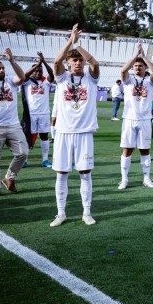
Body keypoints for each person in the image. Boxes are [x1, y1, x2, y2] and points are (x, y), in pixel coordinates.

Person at [50, 24, 99, 227]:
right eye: (74, 60)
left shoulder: (91, 79)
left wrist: (79, 47)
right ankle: (61, 213)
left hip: (84, 132)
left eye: (80, 60)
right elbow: (56, 61)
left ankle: (86, 212)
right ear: (68, 63)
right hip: (63, 131)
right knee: (62, 173)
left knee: (85, 173)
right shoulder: (62, 78)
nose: (78, 62)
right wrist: (71, 41)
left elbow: (94, 63)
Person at [117, 44, 153, 190]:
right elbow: (123, 70)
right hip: (129, 118)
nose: (137, 68)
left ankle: (146, 178)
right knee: (127, 149)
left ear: (145, 68)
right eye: (135, 66)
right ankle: (124, 179)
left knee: (145, 150)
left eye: (140, 66)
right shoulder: (128, 80)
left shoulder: (149, 82)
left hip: (145, 119)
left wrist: (144, 57)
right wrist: (136, 55)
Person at [0, 48, 29, 197]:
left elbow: (22, 77)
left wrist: (11, 61)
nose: (1, 70)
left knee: (23, 152)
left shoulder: (10, 81)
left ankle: (8, 178)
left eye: (2, 68)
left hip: (13, 125)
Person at [23, 52, 55, 168]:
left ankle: (45, 160)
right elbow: (25, 75)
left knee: (44, 136)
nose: (38, 72)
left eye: (40, 71)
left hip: (44, 113)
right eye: (35, 71)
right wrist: (37, 64)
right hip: (30, 114)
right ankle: (24, 160)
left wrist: (43, 62)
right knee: (28, 137)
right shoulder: (27, 82)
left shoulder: (45, 82)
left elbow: (51, 74)